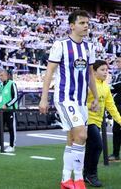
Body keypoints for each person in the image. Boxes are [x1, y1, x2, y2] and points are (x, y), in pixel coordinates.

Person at [39, 10, 99, 189]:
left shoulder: (89, 47)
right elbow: (49, 71)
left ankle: (66, 179)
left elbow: (90, 74)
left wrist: (95, 97)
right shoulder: (61, 45)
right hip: (65, 98)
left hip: (81, 101)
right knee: (82, 135)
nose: (86, 26)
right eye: (82, 23)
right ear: (72, 25)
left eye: (87, 23)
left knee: (73, 139)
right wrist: (44, 98)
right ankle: (79, 179)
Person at [84, 60, 121, 187]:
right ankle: (92, 175)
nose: (106, 72)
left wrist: (120, 120)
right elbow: (79, 102)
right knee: (98, 145)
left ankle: (85, 174)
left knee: (90, 148)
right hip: (87, 120)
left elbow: (111, 106)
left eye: (107, 70)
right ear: (93, 72)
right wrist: (90, 106)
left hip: (98, 121)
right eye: (102, 70)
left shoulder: (105, 86)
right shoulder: (88, 84)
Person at [0, 69, 18, 153]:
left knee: (11, 128)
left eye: (2, 75)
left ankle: (12, 145)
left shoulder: (12, 84)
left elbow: (15, 97)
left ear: (6, 75)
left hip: (10, 110)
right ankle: (0, 144)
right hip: (0, 111)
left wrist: (7, 105)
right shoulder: (0, 85)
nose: (0, 77)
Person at [108, 55, 121, 161]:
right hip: (117, 104)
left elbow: (116, 86)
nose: (117, 63)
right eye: (117, 61)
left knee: (117, 129)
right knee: (116, 130)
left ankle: (115, 153)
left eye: (119, 61)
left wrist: (105, 87)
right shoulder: (117, 74)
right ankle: (115, 153)